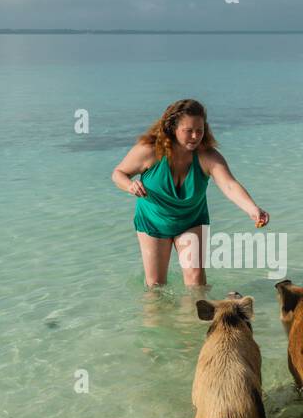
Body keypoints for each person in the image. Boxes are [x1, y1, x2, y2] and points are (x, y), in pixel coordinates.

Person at [111, 98, 268, 288]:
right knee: (155, 286)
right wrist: (129, 185)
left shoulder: (207, 156)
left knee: (196, 282)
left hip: (192, 219)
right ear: (172, 128)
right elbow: (118, 174)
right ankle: (157, 319)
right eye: (188, 131)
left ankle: (193, 318)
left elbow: (229, 185)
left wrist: (252, 208)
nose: (195, 136)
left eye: (200, 130)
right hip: (154, 220)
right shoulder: (149, 151)